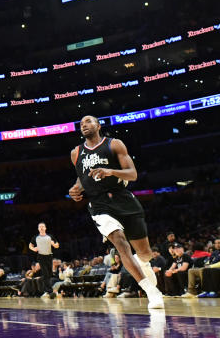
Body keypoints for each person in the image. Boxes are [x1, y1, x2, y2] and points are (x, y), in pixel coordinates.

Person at [68, 115, 164, 310]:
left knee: (145, 253)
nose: (84, 125)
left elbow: (133, 174)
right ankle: (152, 292)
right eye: (81, 124)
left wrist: (111, 171)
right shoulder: (76, 153)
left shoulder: (114, 144)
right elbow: (82, 179)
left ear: (98, 125)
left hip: (123, 199)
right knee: (120, 241)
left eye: (88, 121)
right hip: (99, 204)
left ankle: (142, 262)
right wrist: (75, 189)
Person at [28, 222, 59, 298]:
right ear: (38, 229)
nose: (41, 228)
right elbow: (30, 245)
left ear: (45, 228)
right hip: (41, 256)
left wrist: (54, 244)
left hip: (49, 256)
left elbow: (57, 245)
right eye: (40, 227)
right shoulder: (36, 237)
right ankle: (49, 291)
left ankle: (47, 290)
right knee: (45, 273)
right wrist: (33, 249)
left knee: (49, 274)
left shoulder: (50, 236)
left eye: (43, 226)